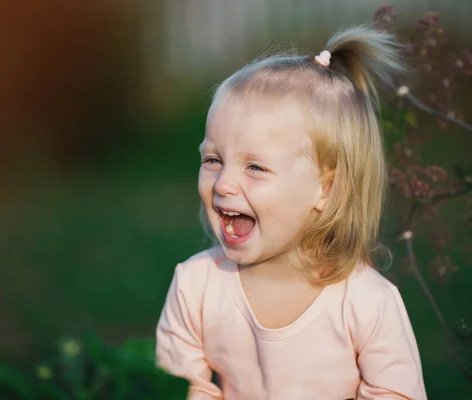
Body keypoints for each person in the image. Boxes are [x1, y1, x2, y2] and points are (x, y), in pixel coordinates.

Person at [155, 26, 427, 399]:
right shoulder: (196, 286)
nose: (223, 185)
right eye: (213, 160)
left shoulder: (365, 301)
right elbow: (179, 387)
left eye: (255, 167)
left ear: (325, 189)